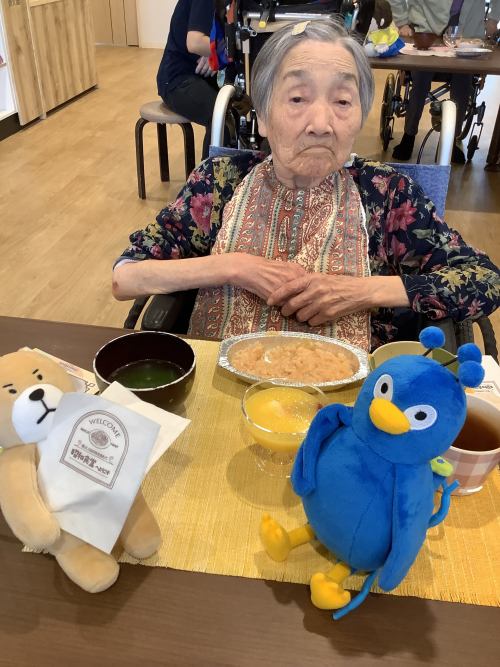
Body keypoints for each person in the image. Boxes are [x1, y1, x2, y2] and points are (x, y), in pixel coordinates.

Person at [113, 19, 500, 352]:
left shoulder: (387, 194)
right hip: (223, 391)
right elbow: (126, 276)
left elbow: (484, 279)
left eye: (342, 101)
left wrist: (362, 291)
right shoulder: (219, 183)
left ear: (360, 116)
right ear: (263, 117)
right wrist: (231, 266)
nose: (321, 124)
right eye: (298, 98)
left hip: (350, 408)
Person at [389, 0, 500, 162]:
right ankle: (409, 135)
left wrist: (494, 18)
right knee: (420, 78)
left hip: (468, 28)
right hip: (425, 24)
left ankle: (451, 140)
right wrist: (401, 21)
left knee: (464, 81)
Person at [157, 0, 217, 160]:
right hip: (178, 78)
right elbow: (195, 43)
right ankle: (208, 176)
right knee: (223, 117)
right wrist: (219, 53)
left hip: (205, 76)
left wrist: (214, 53)